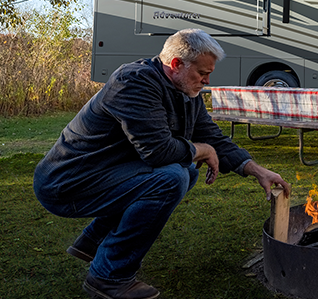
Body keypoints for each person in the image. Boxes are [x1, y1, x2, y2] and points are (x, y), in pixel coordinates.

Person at [33, 29, 291, 299]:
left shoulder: (184, 91)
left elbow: (211, 135)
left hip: (104, 174)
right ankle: (109, 277)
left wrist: (254, 168)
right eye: (202, 73)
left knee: (186, 171)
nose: (207, 80)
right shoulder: (133, 82)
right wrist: (201, 149)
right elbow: (158, 152)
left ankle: (94, 240)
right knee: (171, 179)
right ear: (177, 64)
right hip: (67, 184)